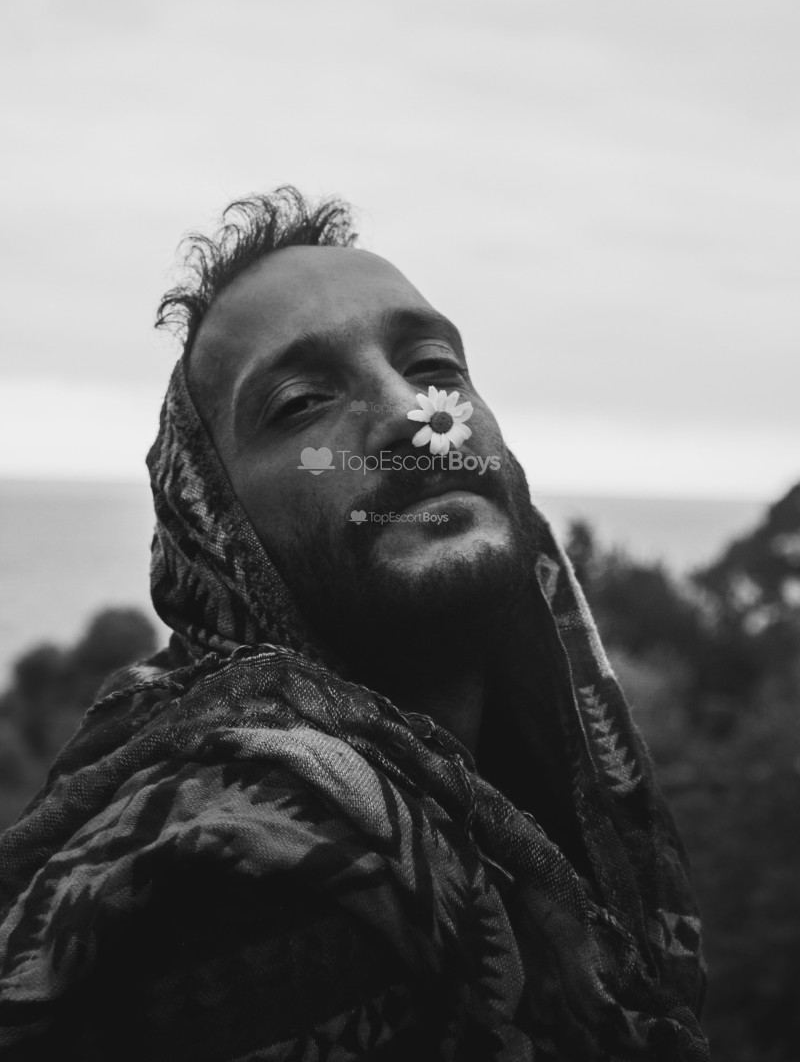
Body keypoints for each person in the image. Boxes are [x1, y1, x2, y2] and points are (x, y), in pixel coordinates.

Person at [0, 187, 709, 1060]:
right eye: (301, 402)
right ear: (217, 532)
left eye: (435, 367)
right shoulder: (240, 886)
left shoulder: (544, 799)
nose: (416, 417)